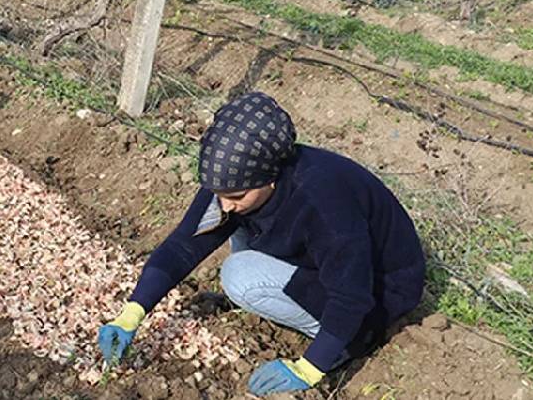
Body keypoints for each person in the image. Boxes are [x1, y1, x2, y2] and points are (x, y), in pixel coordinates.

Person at [98, 92, 425, 396]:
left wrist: (310, 368)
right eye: (220, 194)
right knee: (232, 223)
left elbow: (352, 295)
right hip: (324, 260)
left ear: (270, 178)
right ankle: (292, 304)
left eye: (236, 196)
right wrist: (131, 313)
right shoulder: (234, 179)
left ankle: (348, 340)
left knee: (239, 275)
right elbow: (185, 244)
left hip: (380, 293)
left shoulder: (322, 202)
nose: (224, 203)